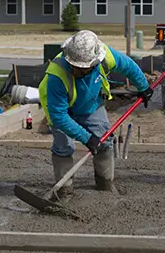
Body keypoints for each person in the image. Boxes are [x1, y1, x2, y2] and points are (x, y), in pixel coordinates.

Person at [37, 30, 152, 197]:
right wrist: (87, 138)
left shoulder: (106, 57)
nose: (77, 71)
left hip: (90, 104)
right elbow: (59, 116)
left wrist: (143, 87)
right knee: (64, 146)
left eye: (83, 69)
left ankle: (105, 184)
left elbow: (129, 66)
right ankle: (64, 190)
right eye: (74, 67)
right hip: (61, 110)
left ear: (95, 62)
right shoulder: (57, 75)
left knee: (104, 140)